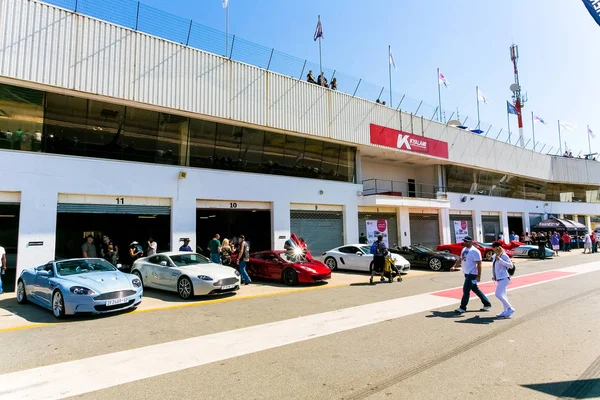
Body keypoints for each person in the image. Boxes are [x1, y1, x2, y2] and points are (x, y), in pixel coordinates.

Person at [450, 235, 492, 314]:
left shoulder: (475, 251)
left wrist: (479, 275)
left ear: (471, 242)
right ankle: (487, 304)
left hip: (472, 273)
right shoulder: (464, 249)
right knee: (475, 289)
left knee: (466, 290)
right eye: (464, 241)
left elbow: (479, 264)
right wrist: (454, 266)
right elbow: (460, 259)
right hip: (466, 273)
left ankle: (462, 307)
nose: (464, 242)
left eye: (466, 241)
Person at [491, 242, 515, 318]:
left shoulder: (503, 255)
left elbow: (510, 265)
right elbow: (495, 267)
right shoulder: (495, 255)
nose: (492, 248)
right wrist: (494, 275)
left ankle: (510, 308)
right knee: (503, 295)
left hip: (504, 278)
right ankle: (505, 311)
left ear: (497, 247)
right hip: (499, 278)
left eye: (493, 247)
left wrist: (500, 260)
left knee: (498, 294)